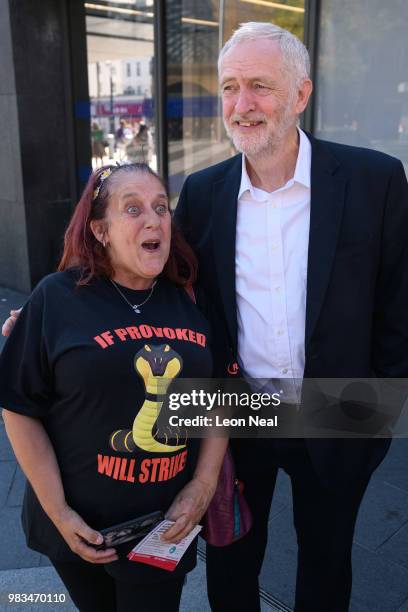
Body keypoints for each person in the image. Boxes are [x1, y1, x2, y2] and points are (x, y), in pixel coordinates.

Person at [174, 22, 408, 612]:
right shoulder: (201, 193)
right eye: (229, 88)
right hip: (234, 406)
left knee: (327, 559)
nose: (241, 105)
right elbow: (161, 286)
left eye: (259, 86)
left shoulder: (373, 180)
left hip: (336, 404)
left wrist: (377, 414)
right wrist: (55, 311)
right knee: (229, 557)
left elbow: (398, 304)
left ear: (301, 94)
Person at [0, 162, 227, 612]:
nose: (154, 219)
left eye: (161, 207)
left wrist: (203, 485)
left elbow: (217, 401)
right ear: (100, 230)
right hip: (78, 525)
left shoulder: (190, 299)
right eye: (133, 208)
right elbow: (18, 405)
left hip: (163, 527)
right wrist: (60, 512)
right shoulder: (57, 297)